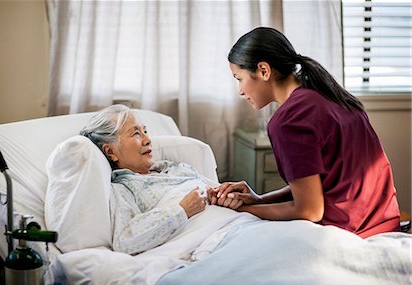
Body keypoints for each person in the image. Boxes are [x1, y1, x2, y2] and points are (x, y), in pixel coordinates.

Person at [209, 27, 400, 238]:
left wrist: (242, 210)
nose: (240, 91)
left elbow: (310, 210)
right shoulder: (331, 96)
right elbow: (324, 184)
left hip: (346, 233)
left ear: (264, 70)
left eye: (239, 78)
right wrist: (259, 200)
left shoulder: (289, 120)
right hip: (384, 223)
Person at [79, 104, 212, 254]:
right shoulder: (125, 189)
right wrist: (182, 210)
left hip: (234, 224)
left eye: (145, 131)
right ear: (111, 152)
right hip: (209, 243)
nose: (148, 139)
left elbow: (212, 189)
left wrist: (225, 196)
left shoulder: (174, 168)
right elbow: (125, 241)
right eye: (136, 134)